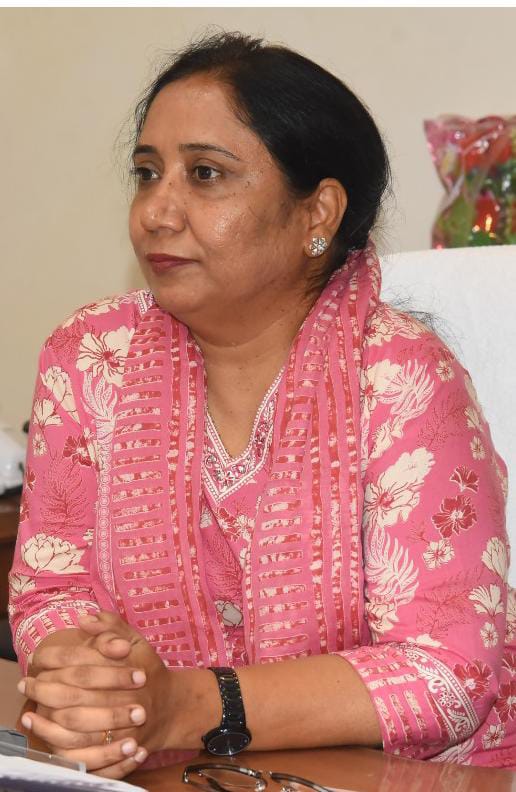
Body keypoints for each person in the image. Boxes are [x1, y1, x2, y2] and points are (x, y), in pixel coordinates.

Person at [8, 31, 515, 780]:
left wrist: (190, 706)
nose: (156, 211)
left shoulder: (400, 378)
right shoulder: (89, 357)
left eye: (205, 174)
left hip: (401, 777)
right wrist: (95, 683)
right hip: (163, 771)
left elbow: (450, 672)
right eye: (147, 173)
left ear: (319, 214)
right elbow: (54, 589)